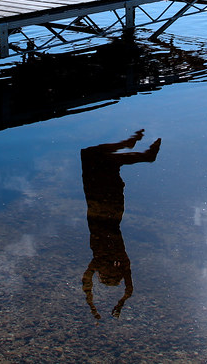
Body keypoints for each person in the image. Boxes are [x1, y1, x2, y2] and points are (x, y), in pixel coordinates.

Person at [80, 129, 162, 319]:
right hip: (106, 206)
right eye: (106, 275)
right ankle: (139, 152)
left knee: (90, 155)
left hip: (98, 203)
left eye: (102, 276)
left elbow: (87, 282)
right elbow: (128, 287)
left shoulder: (100, 259)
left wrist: (95, 307)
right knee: (99, 159)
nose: (100, 274)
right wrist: (117, 303)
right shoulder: (117, 258)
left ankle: (131, 147)